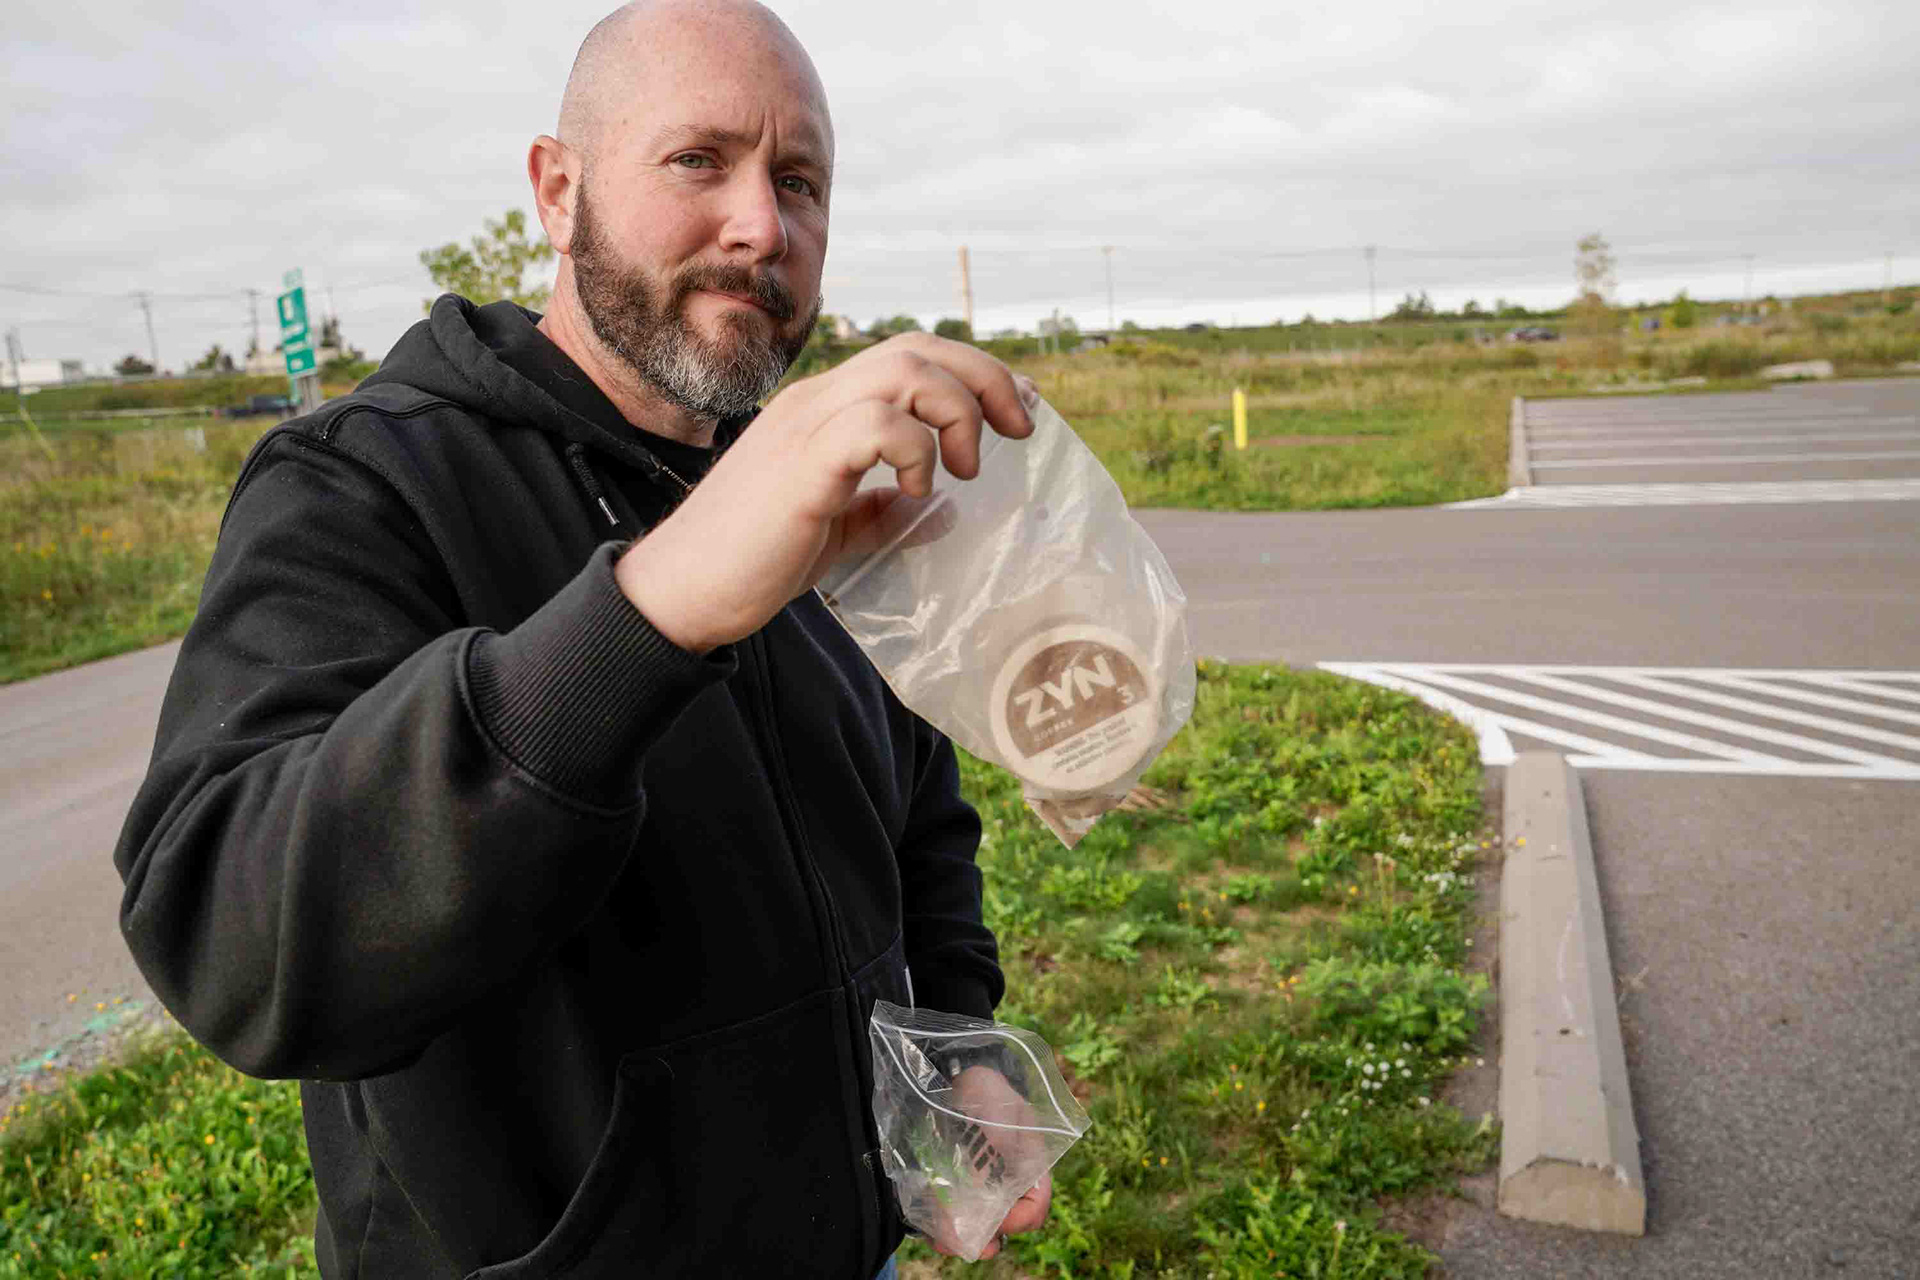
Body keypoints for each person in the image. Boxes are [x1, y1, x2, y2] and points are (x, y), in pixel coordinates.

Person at [112, 2, 1050, 1274]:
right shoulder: (363, 486)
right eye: (697, 160)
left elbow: (915, 811)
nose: (762, 226)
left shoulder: (826, 481)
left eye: (799, 180)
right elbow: (231, 939)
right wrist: (654, 608)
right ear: (558, 193)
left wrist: (963, 1040)